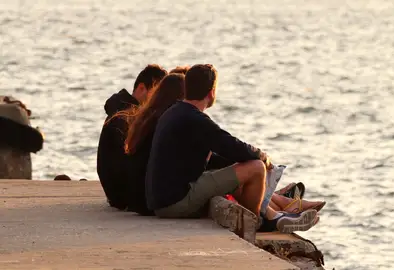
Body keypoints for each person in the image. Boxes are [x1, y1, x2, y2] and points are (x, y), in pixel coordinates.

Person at [145, 64, 319, 233]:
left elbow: (224, 151)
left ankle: (274, 216)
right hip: (175, 203)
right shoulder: (195, 119)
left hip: (162, 201)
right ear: (212, 92)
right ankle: (259, 222)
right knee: (256, 167)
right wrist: (262, 156)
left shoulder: (175, 112)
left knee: (233, 174)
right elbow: (231, 145)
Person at [96, 64, 167, 210]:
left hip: (115, 193)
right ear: (141, 88)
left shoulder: (121, 110)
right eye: (156, 93)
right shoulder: (127, 116)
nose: (158, 99)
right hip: (123, 195)